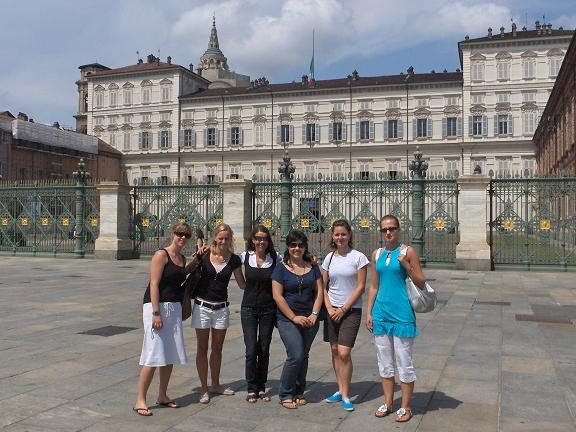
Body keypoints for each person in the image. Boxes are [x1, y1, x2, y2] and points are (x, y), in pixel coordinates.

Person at [365, 215, 427, 423]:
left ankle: (405, 406)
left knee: (404, 362)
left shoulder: (407, 252)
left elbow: (421, 280)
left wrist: (407, 265)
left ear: (399, 230)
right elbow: (374, 286)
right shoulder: (377, 254)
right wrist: (368, 312)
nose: (388, 232)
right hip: (381, 313)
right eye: (384, 230)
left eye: (392, 228)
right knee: (384, 362)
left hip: (402, 314)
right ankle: (388, 402)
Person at [134, 222, 192, 416]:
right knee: (153, 352)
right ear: (172, 233)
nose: (182, 237)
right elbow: (154, 284)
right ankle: (140, 399)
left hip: (174, 308)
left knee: (170, 353)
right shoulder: (161, 255)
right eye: (179, 234)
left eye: (186, 235)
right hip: (155, 306)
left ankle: (162, 395)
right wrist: (156, 313)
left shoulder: (182, 258)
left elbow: (182, 278)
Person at [191, 223, 246, 404]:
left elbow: (242, 284)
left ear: (231, 239)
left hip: (221, 308)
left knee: (217, 349)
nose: (223, 241)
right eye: (220, 238)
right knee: (202, 348)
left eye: (227, 238)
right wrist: (196, 257)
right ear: (215, 237)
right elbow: (186, 270)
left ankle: (215, 384)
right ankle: (204, 389)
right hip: (202, 306)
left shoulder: (234, 259)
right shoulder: (204, 254)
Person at [272, 230, 324, 409]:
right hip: (288, 319)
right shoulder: (280, 267)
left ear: (305, 247)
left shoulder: (313, 266)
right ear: (288, 247)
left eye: (300, 245)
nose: (297, 248)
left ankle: (299, 390)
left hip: (310, 319)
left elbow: (319, 292)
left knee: (304, 354)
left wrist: (314, 314)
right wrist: (294, 317)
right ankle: (286, 393)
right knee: (296, 354)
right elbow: (278, 296)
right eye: (293, 245)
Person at [321, 219, 369, 412]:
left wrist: (343, 309)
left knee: (344, 352)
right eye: (337, 234)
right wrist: (330, 308)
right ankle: (340, 389)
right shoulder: (329, 258)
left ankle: (346, 393)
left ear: (350, 235)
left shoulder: (358, 257)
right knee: (334, 351)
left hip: (350, 311)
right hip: (331, 310)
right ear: (332, 236)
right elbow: (322, 287)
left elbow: (361, 287)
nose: (340, 238)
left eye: (343, 234)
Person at [240, 225, 280, 403]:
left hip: (268, 310)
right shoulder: (245, 256)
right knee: (250, 350)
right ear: (252, 240)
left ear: (268, 240)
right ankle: (251, 387)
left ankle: (261, 386)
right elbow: (223, 256)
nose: (261, 241)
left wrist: (312, 260)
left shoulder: (275, 258)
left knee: (264, 348)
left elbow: (295, 261)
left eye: (264, 238)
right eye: (257, 238)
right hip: (248, 309)